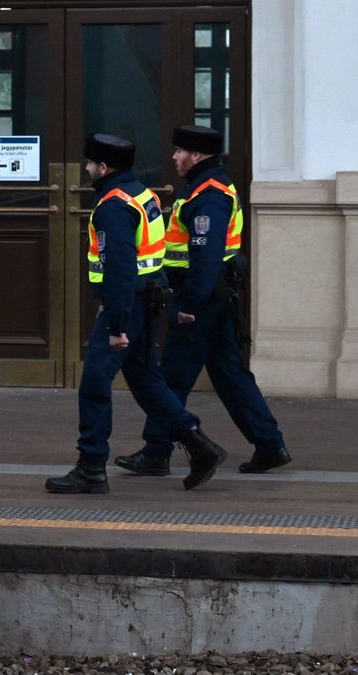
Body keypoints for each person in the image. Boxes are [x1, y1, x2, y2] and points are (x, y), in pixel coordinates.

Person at [45, 133, 227, 494]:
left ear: (104, 167)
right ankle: (197, 444)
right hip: (148, 301)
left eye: (90, 164)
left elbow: (119, 269)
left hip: (127, 304)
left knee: (95, 383)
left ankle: (92, 466)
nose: (86, 169)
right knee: (146, 381)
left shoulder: (113, 206)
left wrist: (115, 323)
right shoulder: (142, 194)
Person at [116, 125, 291, 477]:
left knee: (172, 377)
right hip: (214, 298)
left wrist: (188, 306)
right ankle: (269, 444)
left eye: (179, 151)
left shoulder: (208, 195)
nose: (174, 157)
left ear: (196, 155)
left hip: (201, 300)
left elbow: (206, 259)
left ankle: (156, 451)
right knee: (230, 375)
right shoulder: (208, 188)